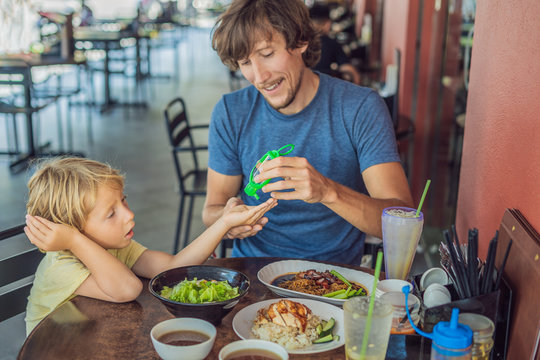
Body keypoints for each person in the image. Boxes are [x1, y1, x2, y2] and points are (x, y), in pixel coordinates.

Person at [203, 0, 413, 264]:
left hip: (334, 278)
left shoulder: (360, 107)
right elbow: (211, 210)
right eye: (245, 62)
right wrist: (226, 220)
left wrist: (327, 191)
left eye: (267, 54)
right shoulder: (230, 112)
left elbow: (401, 223)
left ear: (300, 41)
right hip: (252, 273)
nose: (259, 76)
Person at [23, 157, 276, 335]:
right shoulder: (60, 265)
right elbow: (127, 289)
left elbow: (174, 267)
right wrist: (75, 240)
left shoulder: (114, 246)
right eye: (111, 214)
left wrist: (224, 223)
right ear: (72, 231)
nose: (128, 215)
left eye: (123, 201)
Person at [309, 2, 362, 85]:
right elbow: (350, 72)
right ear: (328, 23)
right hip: (323, 88)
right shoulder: (331, 43)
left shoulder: (298, 42)